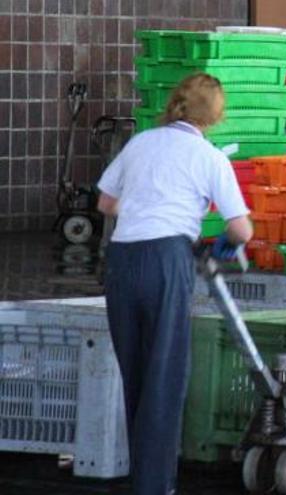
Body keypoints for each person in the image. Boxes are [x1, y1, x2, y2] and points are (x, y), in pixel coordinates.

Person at [96, 73, 252, 495]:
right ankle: (155, 486)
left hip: (123, 260)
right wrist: (221, 245)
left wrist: (146, 204)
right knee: (164, 375)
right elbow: (241, 229)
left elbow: (105, 202)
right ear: (215, 116)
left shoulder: (142, 142)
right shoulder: (209, 156)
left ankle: (141, 480)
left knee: (137, 373)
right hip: (168, 260)